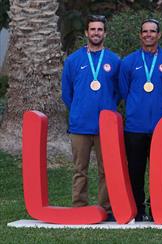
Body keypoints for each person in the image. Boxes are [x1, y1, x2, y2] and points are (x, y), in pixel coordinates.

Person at [60, 15, 120, 221]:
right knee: (80, 170)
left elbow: (118, 91)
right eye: (92, 29)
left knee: (107, 170)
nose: (96, 33)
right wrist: (78, 108)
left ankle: (106, 208)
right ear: (86, 33)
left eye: (100, 29)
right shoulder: (73, 60)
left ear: (105, 33)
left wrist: (107, 108)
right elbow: (66, 93)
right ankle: (79, 208)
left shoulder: (114, 60)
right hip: (80, 125)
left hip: (106, 126)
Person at [119, 18, 162, 221]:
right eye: (145, 31)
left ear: (159, 35)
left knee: (158, 172)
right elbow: (124, 91)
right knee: (135, 171)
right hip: (135, 126)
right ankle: (138, 209)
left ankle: (156, 209)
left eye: (153, 31)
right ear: (140, 35)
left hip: (161, 128)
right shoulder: (128, 62)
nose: (148, 34)